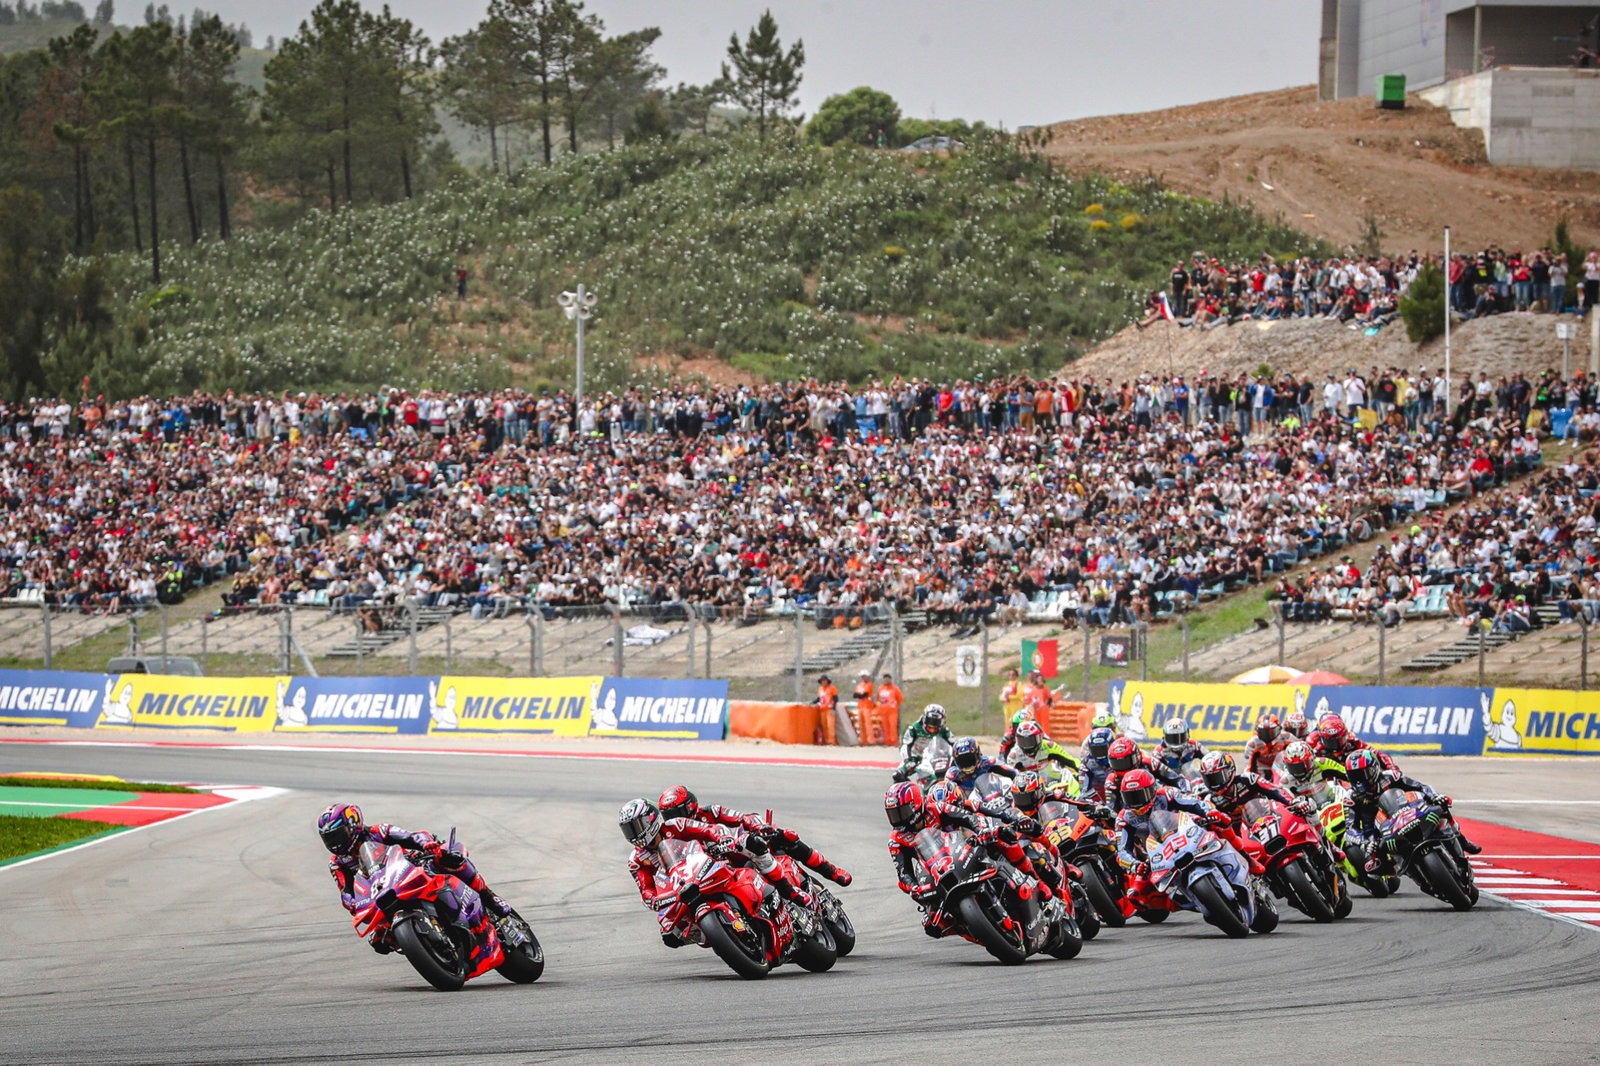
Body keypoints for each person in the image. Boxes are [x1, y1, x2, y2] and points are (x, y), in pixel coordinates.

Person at [619, 798, 811, 948]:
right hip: (680, 888)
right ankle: (725, 934)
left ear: (651, 819)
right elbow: (646, 890)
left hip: (708, 863)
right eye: (628, 830)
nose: (634, 833)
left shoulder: (676, 825)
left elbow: (708, 829)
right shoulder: (636, 860)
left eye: (637, 826)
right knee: (670, 934)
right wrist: (654, 900)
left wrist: (723, 838)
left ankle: (788, 890)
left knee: (753, 846)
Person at [316, 802, 515, 939]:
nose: (335, 843)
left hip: (411, 869)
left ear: (353, 825)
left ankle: (488, 897)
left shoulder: (379, 831)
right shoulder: (337, 864)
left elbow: (412, 837)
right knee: (379, 939)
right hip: (382, 892)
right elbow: (346, 893)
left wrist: (427, 844)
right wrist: (353, 904)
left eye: (337, 835)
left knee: (450, 857)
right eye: (329, 838)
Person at [884, 780, 1033, 939]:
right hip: (935, 872)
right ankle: (983, 936)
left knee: (1001, 841)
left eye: (901, 812)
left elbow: (968, 818)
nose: (897, 819)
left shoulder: (937, 808)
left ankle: (1029, 875)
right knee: (933, 925)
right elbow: (903, 873)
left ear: (916, 804)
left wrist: (981, 831)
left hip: (962, 851)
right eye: (893, 814)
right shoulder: (896, 839)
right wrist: (914, 888)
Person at [656, 784, 851, 885]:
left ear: (690, 806)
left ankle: (832, 871)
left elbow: (742, 817)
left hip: (744, 847)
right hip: (721, 871)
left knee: (784, 837)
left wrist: (760, 827)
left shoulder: (710, 812)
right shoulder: (674, 838)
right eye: (668, 815)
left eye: (677, 813)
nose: (674, 819)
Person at [1340, 752, 1480, 873]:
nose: (1359, 781)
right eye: (1354, 776)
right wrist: (1364, 842)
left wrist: (1433, 796)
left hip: (1404, 811)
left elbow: (1420, 787)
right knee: (1373, 864)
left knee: (1441, 806)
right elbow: (1350, 829)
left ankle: (1462, 841)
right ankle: (1403, 870)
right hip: (1376, 830)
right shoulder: (1350, 798)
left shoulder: (1391, 776)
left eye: (1363, 774)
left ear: (1374, 768)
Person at [1113, 769, 1234, 901]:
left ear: (1152, 790)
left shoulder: (1166, 793)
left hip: (1186, 831)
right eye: (1130, 797)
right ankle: (1180, 901)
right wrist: (1134, 865)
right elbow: (1122, 852)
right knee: (1137, 894)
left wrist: (1208, 812)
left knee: (1219, 823)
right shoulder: (1123, 818)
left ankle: (1244, 857)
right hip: (1157, 852)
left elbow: (1195, 802)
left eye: (1139, 795)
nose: (1136, 802)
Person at [1195, 751, 1306, 874]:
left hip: (1268, 820)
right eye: (1209, 779)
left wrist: (1292, 802)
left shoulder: (1248, 779)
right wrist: (1202, 820)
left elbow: (1274, 790)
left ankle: (1319, 846)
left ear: (1229, 771)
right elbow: (1206, 815)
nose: (1214, 783)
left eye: (1217, 777)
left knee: (1305, 810)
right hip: (1242, 840)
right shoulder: (1210, 799)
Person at [1005, 719, 1082, 790]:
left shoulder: (1049, 746)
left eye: (1031, 741)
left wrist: (1082, 771)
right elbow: (1008, 780)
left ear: (1040, 737)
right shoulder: (1013, 756)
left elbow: (1071, 760)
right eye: (1023, 742)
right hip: (1029, 789)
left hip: (1053, 783)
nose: (1027, 746)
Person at [1309, 712, 1395, 770]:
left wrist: (1392, 769)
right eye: (1330, 742)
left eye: (1339, 740)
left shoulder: (1353, 741)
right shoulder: (1316, 751)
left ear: (1346, 734)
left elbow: (1379, 755)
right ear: (1321, 739)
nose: (1335, 746)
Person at [896, 703, 954, 781]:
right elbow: (905, 745)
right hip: (915, 757)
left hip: (935, 758)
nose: (932, 726)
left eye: (936, 721)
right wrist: (908, 760)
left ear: (942, 721)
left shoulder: (945, 731)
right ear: (924, 718)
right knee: (898, 775)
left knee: (947, 775)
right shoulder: (914, 728)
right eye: (930, 720)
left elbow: (954, 744)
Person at [944, 736, 1017, 793]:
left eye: (969, 758)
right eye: (962, 760)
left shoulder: (988, 761)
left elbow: (1013, 772)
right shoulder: (952, 774)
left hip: (990, 798)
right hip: (966, 804)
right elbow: (946, 794)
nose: (966, 763)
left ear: (978, 754)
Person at [874, 672, 904, 745]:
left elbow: (900, 699)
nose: (886, 680)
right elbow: (878, 698)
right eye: (885, 679)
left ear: (890, 680)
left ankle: (894, 741)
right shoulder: (880, 688)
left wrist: (894, 705)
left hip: (892, 711)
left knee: (892, 726)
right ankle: (887, 741)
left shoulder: (895, 688)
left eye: (888, 679)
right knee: (885, 727)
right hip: (883, 711)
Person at [815, 673, 840, 745]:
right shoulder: (820, 689)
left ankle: (832, 741)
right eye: (822, 681)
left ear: (827, 681)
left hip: (829, 709)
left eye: (824, 680)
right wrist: (812, 702)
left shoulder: (832, 688)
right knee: (824, 726)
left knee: (830, 726)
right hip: (822, 709)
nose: (823, 682)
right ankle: (826, 741)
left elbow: (836, 699)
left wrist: (833, 708)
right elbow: (819, 699)